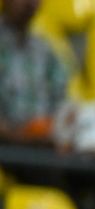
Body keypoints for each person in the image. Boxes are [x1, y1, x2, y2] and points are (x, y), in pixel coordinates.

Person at [0, 0, 69, 146]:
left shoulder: (43, 50)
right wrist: (16, 136)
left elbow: (61, 100)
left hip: (42, 146)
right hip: (7, 147)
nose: (29, 3)